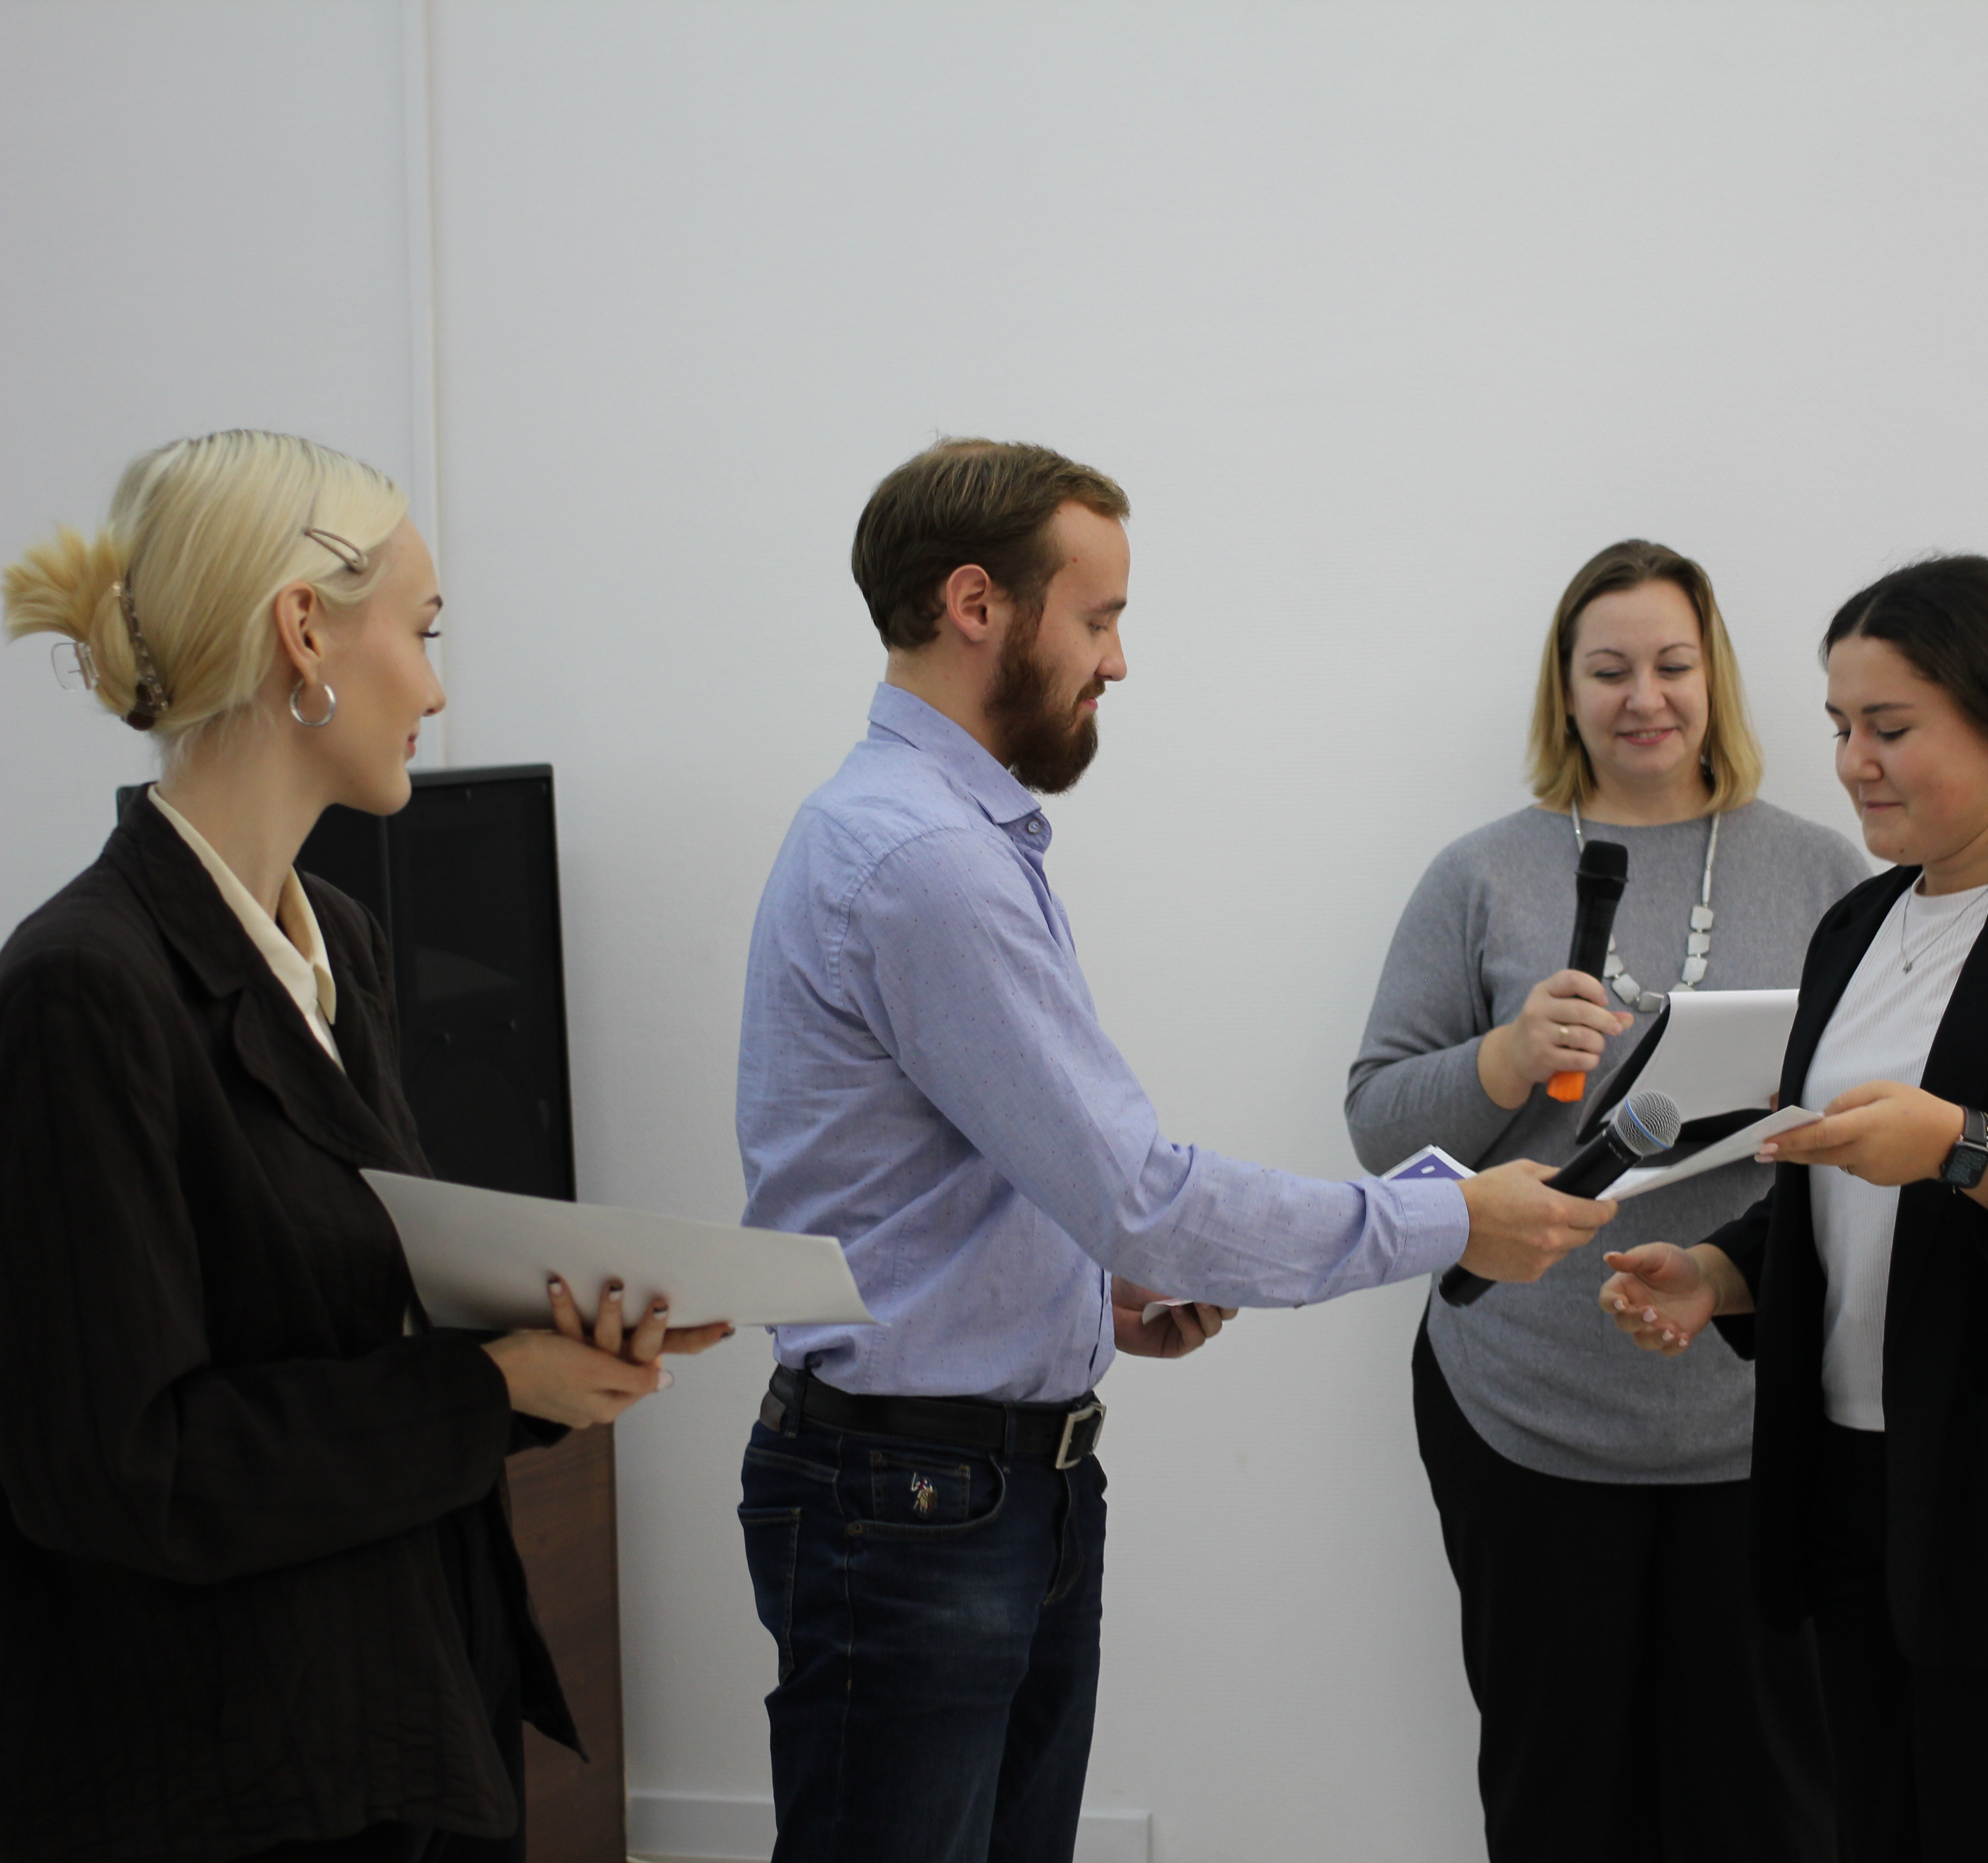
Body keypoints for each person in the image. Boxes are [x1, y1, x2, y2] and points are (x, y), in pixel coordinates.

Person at [733, 436, 1616, 1863]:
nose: (1119, 661)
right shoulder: (924, 862)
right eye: (1099, 618)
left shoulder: (938, 833)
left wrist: (1093, 1289)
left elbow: (985, 1178)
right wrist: (1454, 1223)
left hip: (979, 1492)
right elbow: (1141, 1195)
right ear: (977, 605)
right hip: (917, 1508)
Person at [0, 430, 728, 1863]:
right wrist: (488, 1388)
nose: (438, 689)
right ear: (304, 633)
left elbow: (347, 1317)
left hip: (399, 1712)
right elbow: (127, 1471)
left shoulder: (343, 944)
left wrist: (543, 1354)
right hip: (230, 1779)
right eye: (424, 629)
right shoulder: (83, 989)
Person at [1600, 555, 1988, 1863]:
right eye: (1842, 726)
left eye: (1889, 729)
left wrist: (1965, 1145)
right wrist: (1722, 1275)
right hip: (1856, 1483)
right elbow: (1843, 1194)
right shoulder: (1857, 927)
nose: (1853, 763)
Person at [1345, 538, 1868, 1861]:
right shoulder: (1481, 876)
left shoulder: (1825, 872)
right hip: (1525, 1405)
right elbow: (1378, 1125)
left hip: (1754, 1413)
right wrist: (1506, 1058)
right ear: (1565, 690)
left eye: (1674, 665)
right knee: (1561, 1793)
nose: (1646, 698)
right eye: (1610, 670)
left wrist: (1813, 1110)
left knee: (1772, 1801)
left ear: (1715, 679)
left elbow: (1888, 1117)